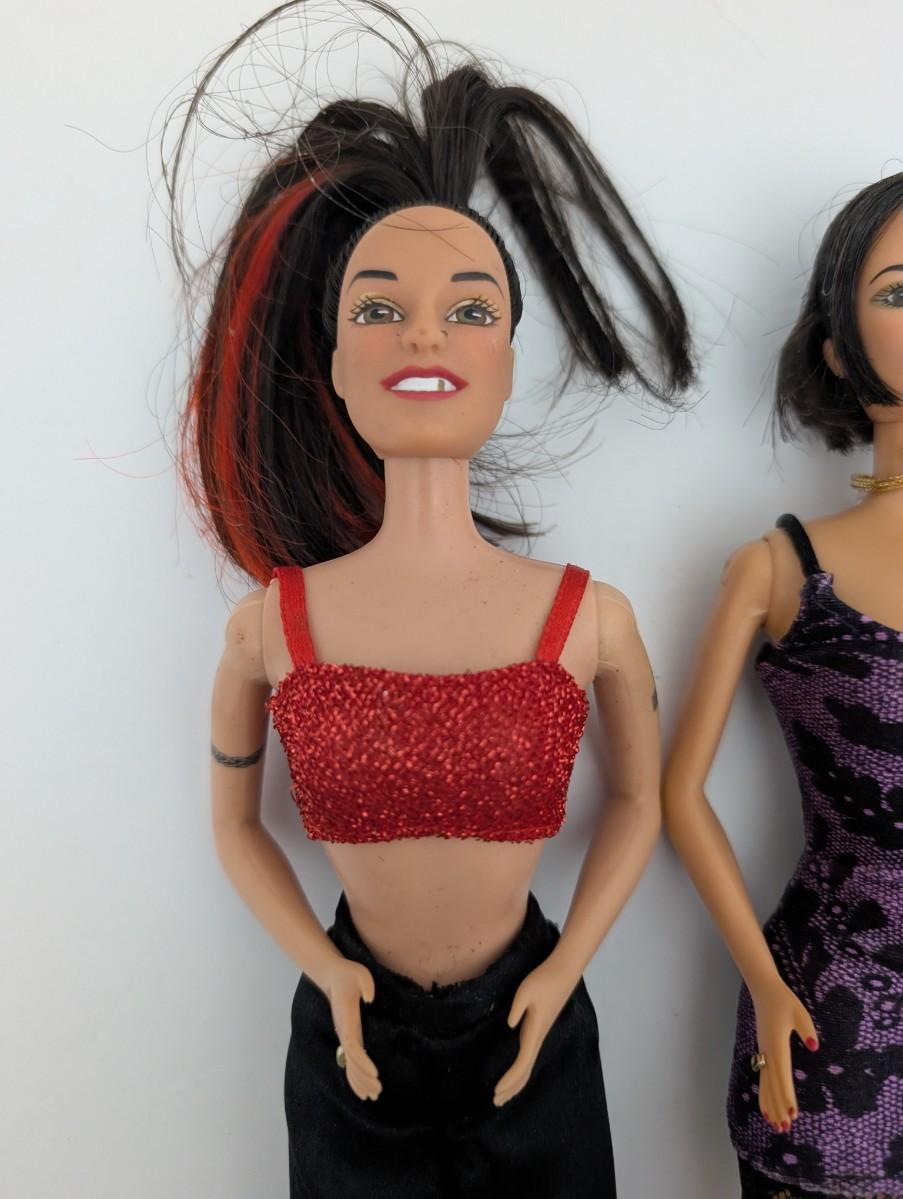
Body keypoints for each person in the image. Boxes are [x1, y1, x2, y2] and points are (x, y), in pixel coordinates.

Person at [167, 4, 694, 1194]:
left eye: (470, 309)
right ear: (334, 361)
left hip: (533, 1022)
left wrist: (564, 969)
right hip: (352, 1036)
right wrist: (325, 967)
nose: (425, 336)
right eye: (376, 309)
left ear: (506, 356)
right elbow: (235, 825)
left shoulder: (590, 618)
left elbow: (640, 798)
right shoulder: (270, 626)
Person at [663, 173, 903, 1198]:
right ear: (837, 348)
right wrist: (764, 980)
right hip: (832, 1009)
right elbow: (678, 790)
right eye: (898, 291)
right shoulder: (778, 569)